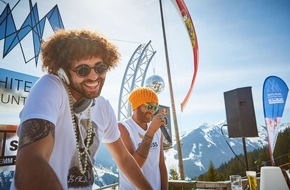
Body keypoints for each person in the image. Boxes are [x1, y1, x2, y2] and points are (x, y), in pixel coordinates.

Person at [11, 29, 152, 190]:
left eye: (100, 68)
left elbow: (124, 159)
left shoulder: (103, 106)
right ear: (62, 72)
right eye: (82, 70)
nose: (93, 77)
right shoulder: (50, 87)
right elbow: (30, 162)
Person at [118, 87, 168, 190]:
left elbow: (161, 164)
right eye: (149, 106)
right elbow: (134, 167)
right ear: (136, 105)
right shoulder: (123, 128)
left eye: (155, 108)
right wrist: (150, 132)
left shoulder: (157, 130)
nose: (152, 111)